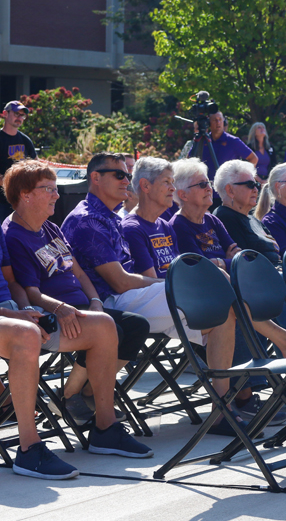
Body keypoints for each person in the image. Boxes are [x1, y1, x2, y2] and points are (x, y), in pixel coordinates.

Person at [0, 136, 150, 480]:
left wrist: (29, 309)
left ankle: (105, 428)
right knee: (24, 333)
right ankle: (29, 449)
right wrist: (14, 316)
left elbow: (13, 283)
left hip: (6, 314)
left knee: (102, 326)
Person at [61, 152, 243, 437]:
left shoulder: (109, 217)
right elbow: (120, 283)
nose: (127, 180)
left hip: (131, 298)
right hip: (110, 302)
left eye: (127, 173)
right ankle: (278, 346)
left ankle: (223, 409)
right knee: (218, 295)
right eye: (119, 175)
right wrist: (176, 282)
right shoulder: (89, 220)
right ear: (95, 178)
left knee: (222, 314)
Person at [2, 159, 151, 426]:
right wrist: (60, 308)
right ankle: (83, 401)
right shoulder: (14, 235)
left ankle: (72, 394)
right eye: (48, 189)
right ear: (25, 195)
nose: (57, 195)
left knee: (137, 326)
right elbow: (29, 292)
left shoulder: (50, 227)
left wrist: (95, 302)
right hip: (56, 314)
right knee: (110, 330)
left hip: (83, 307)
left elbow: (79, 273)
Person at [170, 157, 286, 422]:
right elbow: (198, 267)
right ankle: (249, 387)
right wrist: (224, 261)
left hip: (226, 285)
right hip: (201, 295)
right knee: (237, 295)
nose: (209, 188)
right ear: (182, 195)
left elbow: (239, 257)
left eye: (208, 183)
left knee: (260, 290)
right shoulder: (179, 225)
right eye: (201, 185)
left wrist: (223, 261)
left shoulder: (212, 221)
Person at [214, 160, 281, 266]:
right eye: (250, 184)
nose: (255, 189)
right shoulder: (225, 217)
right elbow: (245, 261)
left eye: (256, 184)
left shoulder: (253, 220)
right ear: (230, 190)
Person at [0, 101, 37, 221]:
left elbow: (36, 167)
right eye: (16, 113)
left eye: (22, 115)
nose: (19, 118)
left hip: (23, 202)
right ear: (5, 114)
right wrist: (14, 185)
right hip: (0, 203)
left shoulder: (25, 140)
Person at [198, 110, 257, 182]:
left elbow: (253, 158)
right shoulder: (203, 141)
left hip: (227, 189)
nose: (218, 122)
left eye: (220, 119)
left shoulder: (233, 141)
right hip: (206, 188)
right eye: (214, 120)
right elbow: (189, 160)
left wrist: (241, 178)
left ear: (224, 122)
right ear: (208, 123)